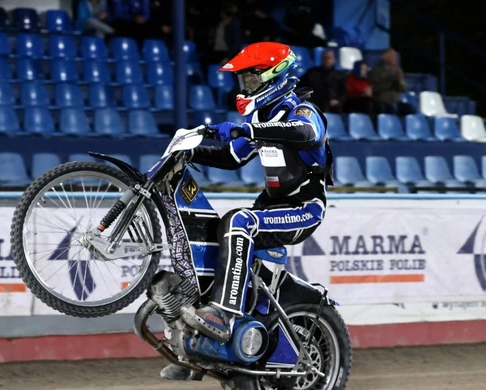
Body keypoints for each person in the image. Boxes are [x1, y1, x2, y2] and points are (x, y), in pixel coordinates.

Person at [161, 42, 333, 381]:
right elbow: (232, 157)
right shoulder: (264, 118)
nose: (245, 88)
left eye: (250, 80)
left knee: (239, 221)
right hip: (271, 205)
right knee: (218, 232)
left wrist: (248, 129)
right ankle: (200, 342)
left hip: (304, 208)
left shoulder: (301, 110)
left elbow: (307, 133)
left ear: (273, 76)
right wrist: (190, 151)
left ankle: (223, 315)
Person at [369, 48, 414, 116]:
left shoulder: (397, 70)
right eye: (392, 56)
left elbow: (403, 89)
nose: (395, 58)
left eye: (395, 56)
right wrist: (391, 79)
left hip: (396, 101)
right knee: (389, 108)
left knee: (409, 108)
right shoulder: (376, 70)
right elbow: (375, 88)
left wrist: (399, 80)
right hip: (382, 101)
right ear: (384, 57)